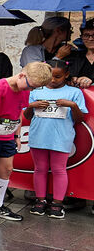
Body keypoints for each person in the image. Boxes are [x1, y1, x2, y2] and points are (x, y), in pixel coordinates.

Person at [0, 62, 51, 223]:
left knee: (7, 169)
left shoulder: (24, 91)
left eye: (34, 88)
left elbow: (18, 113)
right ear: (22, 75)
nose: (30, 90)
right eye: (30, 86)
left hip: (8, 135)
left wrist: (17, 135)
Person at [25, 60, 86, 218]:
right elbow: (26, 115)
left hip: (62, 137)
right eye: (50, 76)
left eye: (58, 77)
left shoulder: (74, 92)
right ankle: (40, 200)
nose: (53, 80)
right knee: (40, 169)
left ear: (66, 75)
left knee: (59, 169)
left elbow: (79, 119)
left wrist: (72, 105)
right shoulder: (36, 91)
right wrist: (32, 106)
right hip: (38, 136)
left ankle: (57, 203)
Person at [63, 24, 94, 88]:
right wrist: (71, 79)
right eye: (86, 35)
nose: (90, 39)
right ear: (81, 37)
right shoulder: (74, 56)